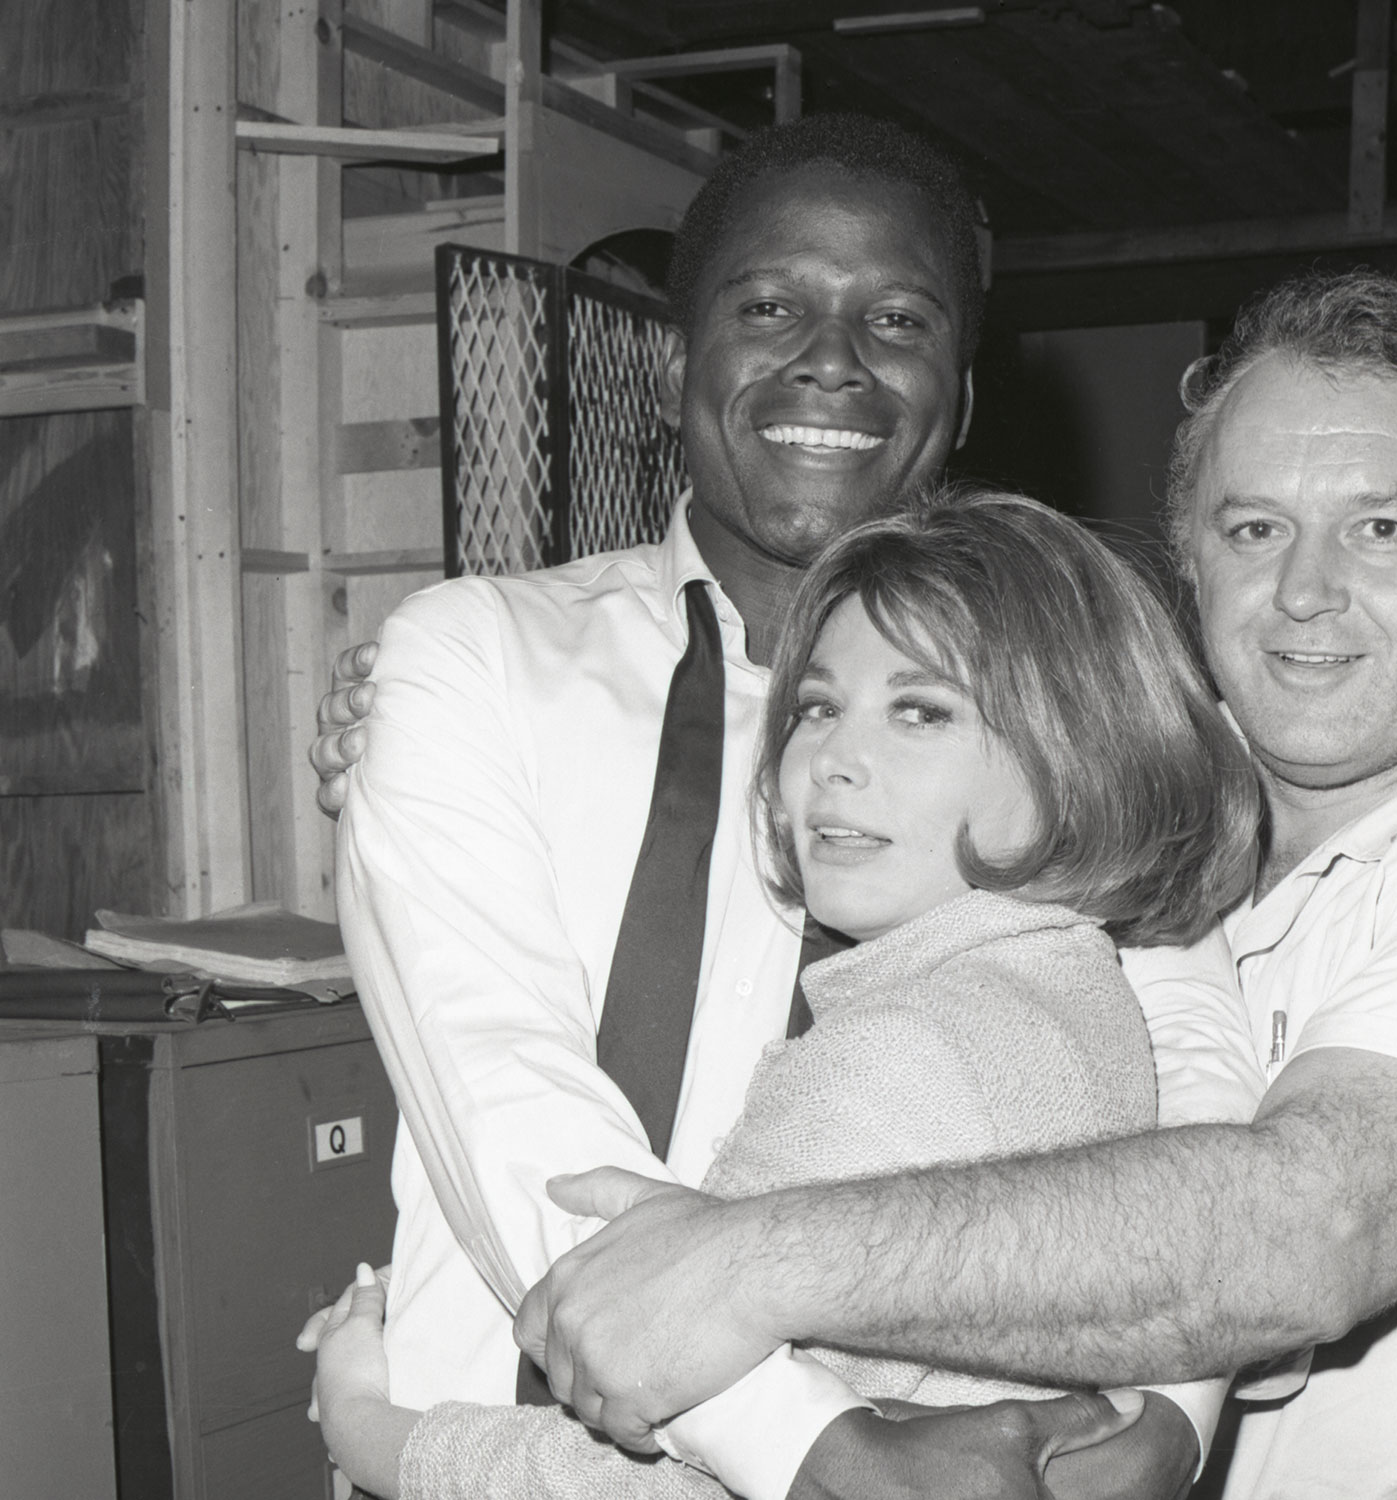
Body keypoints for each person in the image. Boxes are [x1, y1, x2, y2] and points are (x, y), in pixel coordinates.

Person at [509, 269, 1397, 1499]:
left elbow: (1311, 1226)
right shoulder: (1114, 807)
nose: (1305, 590)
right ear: (1187, 553)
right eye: (1253, 530)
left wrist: (746, 1262)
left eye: (1380, 529)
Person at [324, 114, 1255, 1500]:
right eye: (768, 306)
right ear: (674, 366)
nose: (831, 358)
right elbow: (506, 1100)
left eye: (897, 318)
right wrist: (816, 1455)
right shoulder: (471, 662)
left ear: (960, 396)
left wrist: (1167, 1409)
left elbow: (1185, 1070)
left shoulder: (1062, 712)